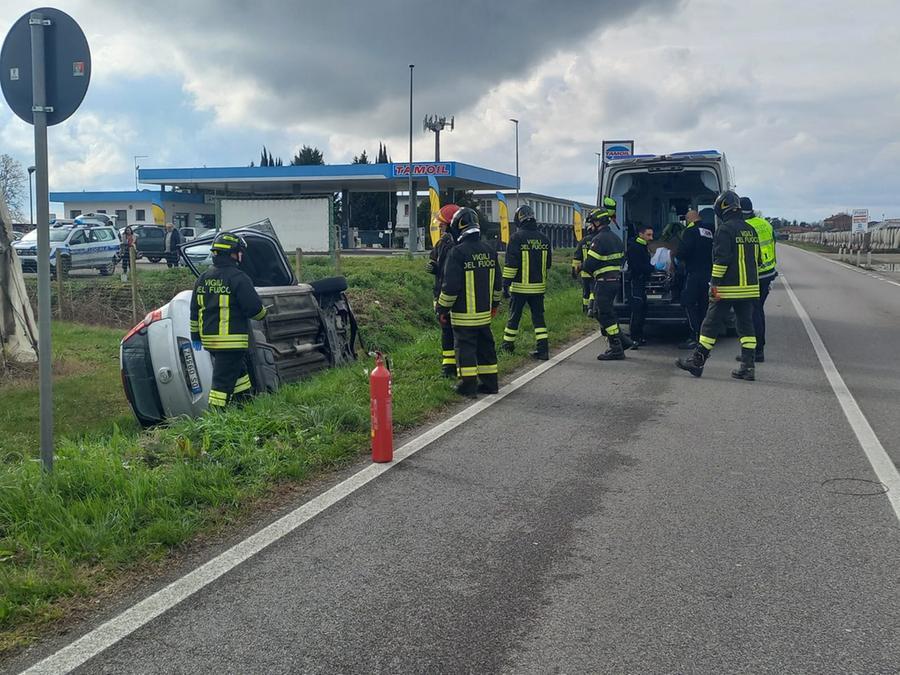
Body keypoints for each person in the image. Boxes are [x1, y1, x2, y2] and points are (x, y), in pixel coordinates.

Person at [676, 191, 761, 381]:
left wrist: (713, 284)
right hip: (750, 289)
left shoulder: (724, 230)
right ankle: (748, 367)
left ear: (721, 208)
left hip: (727, 288)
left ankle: (697, 363)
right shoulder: (750, 230)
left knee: (710, 324)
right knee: (746, 328)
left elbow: (721, 260)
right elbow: (757, 259)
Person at [190, 232, 267, 408]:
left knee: (240, 375)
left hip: (210, 341)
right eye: (240, 251)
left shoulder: (202, 279)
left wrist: (195, 335)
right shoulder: (239, 278)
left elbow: (194, 310)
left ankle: (245, 405)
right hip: (231, 342)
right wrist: (264, 314)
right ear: (233, 253)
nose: (241, 255)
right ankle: (215, 419)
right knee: (221, 385)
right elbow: (254, 309)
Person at [436, 208, 502, 397]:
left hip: (464, 315)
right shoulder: (490, 250)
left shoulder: (457, 252)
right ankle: (490, 384)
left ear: (458, 227)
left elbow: (450, 287)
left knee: (464, 349)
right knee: (486, 348)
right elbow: (498, 283)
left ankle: (468, 385)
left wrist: (442, 309)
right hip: (484, 314)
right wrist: (495, 305)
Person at [501, 204, 552, 360]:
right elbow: (548, 263)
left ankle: (507, 346)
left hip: (520, 288)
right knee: (539, 319)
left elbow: (511, 264)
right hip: (538, 288)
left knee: (514, 317)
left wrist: (505, 285)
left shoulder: (516, 238)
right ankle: (543, 350)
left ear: (519, 219)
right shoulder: (544, 238)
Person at [582, 209, 629, 360]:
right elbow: (622, 259)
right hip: (614, 281)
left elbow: (589, 264)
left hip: (603, 282)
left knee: (604, 314)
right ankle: (623, 341)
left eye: (592, 222)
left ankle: (616, 348)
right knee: (602, 312)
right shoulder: (616, 239)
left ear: (597, 222)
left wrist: (581, 268)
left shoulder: (599, 240)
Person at [737, 197, 776, 363]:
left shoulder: (745, 227)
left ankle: (756, 351)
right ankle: (758, 349)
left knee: (752, 314)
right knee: (758, 310)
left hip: (754, 275)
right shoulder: (765, 223)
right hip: (768, 272)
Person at [425, 204, 461, 377]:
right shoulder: (441, 244)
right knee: (446, 331)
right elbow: (434, 259)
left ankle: (456, 366)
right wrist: (432, 266)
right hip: (441, 293)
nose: (440, 228)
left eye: (442, 225)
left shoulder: (458, 246)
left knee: (455, 332)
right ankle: (449, 367)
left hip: (451, 295)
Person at [675, 209, 714, 349]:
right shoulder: (710, 230)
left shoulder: (690, 232)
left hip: (694, 274)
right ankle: (705, 337)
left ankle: (694, 336)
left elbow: (682, 253)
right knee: (704, 305)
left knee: (688, 302)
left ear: (689, 219)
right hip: (709, 274)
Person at [626, 223, 654, 348]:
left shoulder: (643, 247)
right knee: (636, 311)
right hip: (635, 282)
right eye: (648, 235)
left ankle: (639, 336)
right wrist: (652, 268)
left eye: (651, 235)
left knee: (642, 310)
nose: (651, 238)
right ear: (641, 234)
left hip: (641, 282)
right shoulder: (635, 248)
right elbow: (637, 267)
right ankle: (634, 338)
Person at [572, 212, 603, 313]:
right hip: (595, 272)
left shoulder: (584, 241)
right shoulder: (599, 239)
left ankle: (585, 309)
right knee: (594, 291)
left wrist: (574, 271)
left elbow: (577, 257)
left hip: (584, 272)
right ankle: (592, 308)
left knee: (586, 292)